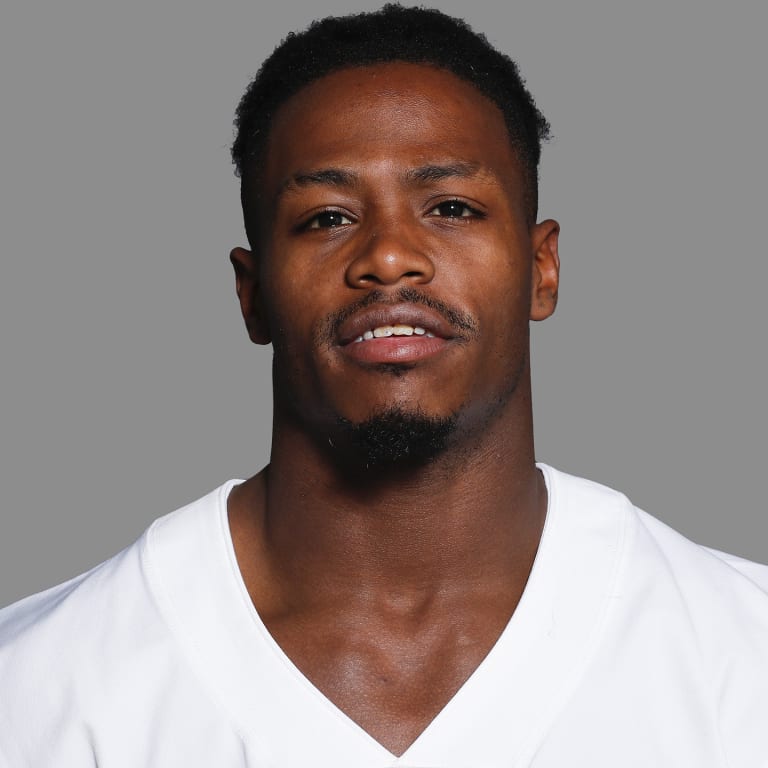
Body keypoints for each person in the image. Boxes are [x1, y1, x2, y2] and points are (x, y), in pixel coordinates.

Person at [1, 5, 766, 766]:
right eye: (327, 217)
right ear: (253, 292)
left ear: (542, 269)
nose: (390, 255)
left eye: (452, 208)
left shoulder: (740, 655)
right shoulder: (37, 688)